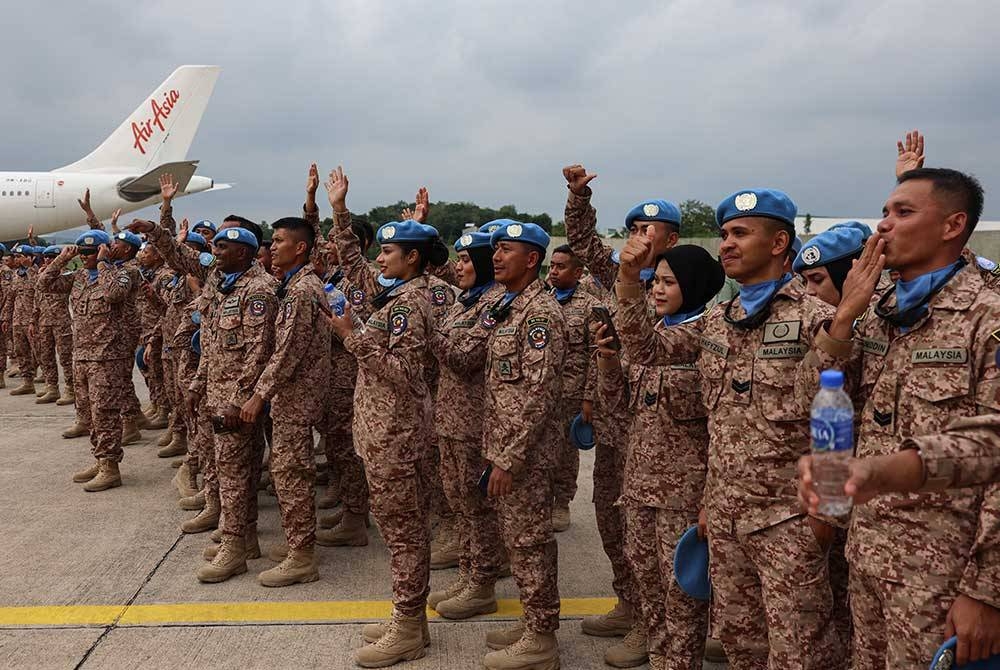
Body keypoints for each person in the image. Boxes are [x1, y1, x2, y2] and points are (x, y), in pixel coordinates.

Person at [615, 188, 851, 668]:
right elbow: (644, 350)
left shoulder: (820, 321)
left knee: (799, 652)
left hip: (789, 521)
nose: (726, 243)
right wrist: (625, 279)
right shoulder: (720, 323)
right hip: (726, 519)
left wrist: (825, 516)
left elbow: (846, 424)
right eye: (725, 234)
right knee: (742, 647)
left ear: (780, 242)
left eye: (740, 233)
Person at [819, 168, 1000, 669]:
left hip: (944, 575)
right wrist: (844, 317)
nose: (883, 226)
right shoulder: (879, 310)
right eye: (883, 212)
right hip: (870, 553)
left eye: (903, 212)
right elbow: (808, 400)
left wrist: (986, 592)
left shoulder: (988, 318)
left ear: (952, 225)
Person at [325, 166, 445, 667]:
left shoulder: (409, 305)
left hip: (397, 433)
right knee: (400, 529)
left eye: (389, 252)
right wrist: (337, 211)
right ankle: (411, 619)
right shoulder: (395, 294)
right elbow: (354, 260)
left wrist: (351, 336)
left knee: (404, 532)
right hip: (382, 431)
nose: (379, 258)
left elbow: (405, 373)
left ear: (412, 258)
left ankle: (408, 627)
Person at [611, 244, 725, 670]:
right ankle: (661, 659)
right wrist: (607, 364)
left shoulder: (701, 334)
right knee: (648, 585)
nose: (657, 290)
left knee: (681, 595)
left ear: (692, 286)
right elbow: (619, 403)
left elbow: (644, 347)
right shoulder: (661, 328)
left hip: (683, 493)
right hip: (640, 485)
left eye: (668, 282)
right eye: (654, 281)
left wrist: (626, 276)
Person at [560, 164, 660, 644]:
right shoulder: (617, 274)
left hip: (662, 432)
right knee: (610, 516)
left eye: (649, 230)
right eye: (634, 229)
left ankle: (657, 620)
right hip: (615, 426)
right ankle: (629, 601)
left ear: (673, 238)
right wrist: (578, 197)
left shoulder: (683, 282)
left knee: (656, 534)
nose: (639, 237)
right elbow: (583, 244)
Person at [479, 221, 566, 670]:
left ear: (532, 259)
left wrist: (508, 459)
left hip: (525, 455)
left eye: (506, 249)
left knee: (530, 540)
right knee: (517, 540)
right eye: (495, 249)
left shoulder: (539, 315)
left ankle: (542, 639)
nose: (496, 256)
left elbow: (540, 393)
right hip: (504, 446)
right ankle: (534, 621)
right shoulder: (506, 305)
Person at [241, 216, 331, 587]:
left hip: (296, 397)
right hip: (294, 396)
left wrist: (259, 395)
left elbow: (288, 352)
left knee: (291, 473)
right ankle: (299, 544)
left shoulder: (301, 291)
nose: (272, 246)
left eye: (279, 241)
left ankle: (302, 557)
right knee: (289, 471)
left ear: (301, 248)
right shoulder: (295, 285)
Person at [187, 226, 276, 583]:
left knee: (235, 475)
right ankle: (246, 538)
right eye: (215, 246)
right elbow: (210, 343)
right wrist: (198, 383)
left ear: (244, 252)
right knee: (233, 471)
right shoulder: (220, 285)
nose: (216, 252)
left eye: (223, 247)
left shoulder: (259, 290)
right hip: (216, 394)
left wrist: (239, 401)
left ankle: (234, 547)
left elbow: (260, 351)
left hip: (238, 402)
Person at [426, 228, 506, 620]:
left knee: (478, 508)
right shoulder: (466, 302)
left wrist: (428, 332)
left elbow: (465, 357)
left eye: (464, 260)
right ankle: (468, 573)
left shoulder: (493, 305)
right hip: (451, 420)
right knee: (460, 504)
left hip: (475, 423)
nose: (457, 267)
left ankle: (482, 585)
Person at [38, 230, 139, 491]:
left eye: (90, 252)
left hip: (108, 357)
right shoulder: (80, 276)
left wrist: (104, 263)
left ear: (105, 250)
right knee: (89, 413)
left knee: (105, 412)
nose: (85, 257)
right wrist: (61, 259)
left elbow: (114, 294)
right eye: (82, 252)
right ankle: (100, 458)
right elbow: (44, 284)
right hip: (81, 355)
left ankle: (110, 467)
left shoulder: (124, 272)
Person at [545, 244, 602, 532]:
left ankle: (561, 502)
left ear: (578, 272)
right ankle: (542, 501)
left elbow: (597, 355)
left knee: (566, 452)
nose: (553, 271)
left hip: (572, 392)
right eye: (552, 265)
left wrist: (589, 398)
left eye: (561, 266)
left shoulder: (590, 306)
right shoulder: (543, 301)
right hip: (543, 392)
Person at [31, 245, 74, 404]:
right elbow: (38, 299)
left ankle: (70, 389)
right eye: (46, 257)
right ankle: (52, 387)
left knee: (65, 357)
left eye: (52, 257)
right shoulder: (42, 274)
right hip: (44, 321)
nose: (48, 260)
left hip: (60, 321)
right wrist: (33, 321)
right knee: (46, 355)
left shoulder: (67, 274)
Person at [5, 244, 38, 396]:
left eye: (21, 256)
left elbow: (39, 293)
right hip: (17, 320)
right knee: (21, 352)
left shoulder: (37, 273)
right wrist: (6, 318)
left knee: (40, 352)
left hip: (33, 320)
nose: (18, 259)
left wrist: (30, 269)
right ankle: (27, 382)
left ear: (31, 258)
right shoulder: (16, 275)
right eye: (17, 257)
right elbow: (10, 298)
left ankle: (51, 384)